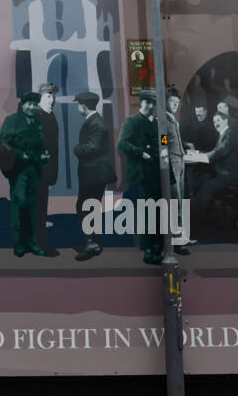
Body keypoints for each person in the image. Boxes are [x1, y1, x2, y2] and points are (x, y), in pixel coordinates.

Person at [0, 92, 55, 257]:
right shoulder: (12, 121)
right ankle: (19, 244)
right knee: (19, 204)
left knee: (33, 207)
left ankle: (32, 243)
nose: (31, 107)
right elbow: (3, 143)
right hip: (18, 170)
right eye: (28, 104)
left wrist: (44, 154)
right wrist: (20, 155)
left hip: (35, 170)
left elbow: (40, 143)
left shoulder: (37, 122)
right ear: (22, 105)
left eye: (34, 104)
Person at [118, 90, 163, 265]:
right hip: (142, 172)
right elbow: (121, 143)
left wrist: (163, 147)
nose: (151, 106)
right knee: (147, 212)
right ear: (141, 102)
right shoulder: (132, 122)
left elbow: (163, 138)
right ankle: (148, 249)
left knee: (158, 210)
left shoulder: (158, 123)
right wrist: (140, 152)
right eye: (147, 102)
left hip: (157, 171)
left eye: (153, 103)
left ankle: (157, 245)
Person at [72, 91, 114, 261]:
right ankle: (95, 243)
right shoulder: (95, 121)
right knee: (91, 207)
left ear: (84, 105)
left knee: (84, 207)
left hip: (93, 174)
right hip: (95, 174)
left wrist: (77, 149)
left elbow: (92, 147)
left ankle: (91, 244)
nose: (77, 107)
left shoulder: (95, 123)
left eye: (78, 104)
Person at [163, 86, 191, 254]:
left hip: (180, 161)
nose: (174, 104)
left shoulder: (173, 119)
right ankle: (176, 244)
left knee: (180, 202)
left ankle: (179, 240)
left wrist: (185, 147)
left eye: (176, 102)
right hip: (173, 163)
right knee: (176, 203)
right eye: (171, 101)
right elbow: (163, 142)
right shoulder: (164, 121)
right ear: (165, 103)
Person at [34, 83, 63, 246]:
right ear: (41, 97)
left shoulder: (51, 116)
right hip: (37, 169)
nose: (52, 100)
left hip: (47, 169)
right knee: (38, 205)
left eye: (53, 96)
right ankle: (39, 241)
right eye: (48, 96)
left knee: (41, 204)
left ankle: (39, 238)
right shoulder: (37, 115)